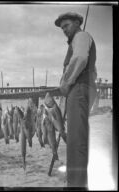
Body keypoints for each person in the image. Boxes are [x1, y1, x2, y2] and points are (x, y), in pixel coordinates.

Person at [54, 12, 97, 188]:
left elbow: (80, 58)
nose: (64, 30)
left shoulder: (81, 36)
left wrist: (66, 83)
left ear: (77, 23)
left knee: (76, 142)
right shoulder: (79, 39)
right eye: (62, 27)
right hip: (82, 90)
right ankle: (77, 182)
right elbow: (92, 70)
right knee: (76, 139)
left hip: (78, 90)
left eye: (67, 25)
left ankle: (76, 185)